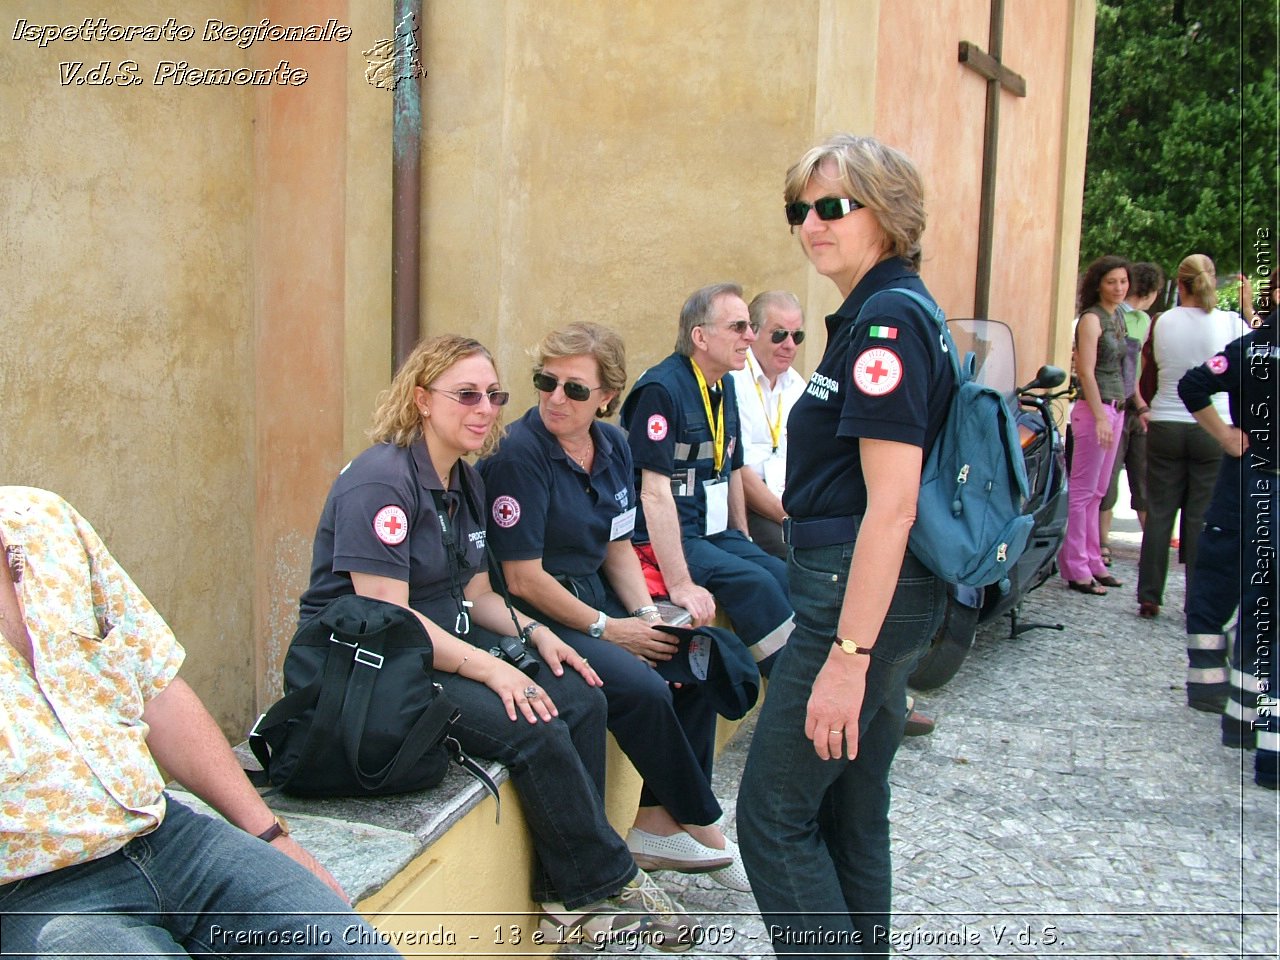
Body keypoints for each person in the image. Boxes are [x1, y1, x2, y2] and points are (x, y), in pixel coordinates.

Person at [296, 335, 691, 949]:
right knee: (533, 722)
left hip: (440, 645)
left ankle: (568, 889)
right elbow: (388, 617)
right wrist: (492, 668)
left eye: (494, 395)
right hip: (370, 667)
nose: (485, 408)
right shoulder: (381, 482)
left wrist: (538, 637)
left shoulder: (464, 478)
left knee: (580, 691)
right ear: (422, 399)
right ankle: (597, 885)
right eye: (467, 395)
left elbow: (480, 594)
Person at [0, 486, 395, 957]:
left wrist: (270, 835)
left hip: (167, 837)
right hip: (38, 889)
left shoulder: (44, 519)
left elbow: (157, 689)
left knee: (356, 951)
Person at [736, 133, 951, 957]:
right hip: (872, 595)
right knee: (850, 809)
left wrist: (849, 655)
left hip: (854, 601)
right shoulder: (877, 308)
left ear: (887, 214)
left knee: (772, 818)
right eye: (801, 210)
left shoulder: (889, 320)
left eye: (833, 206)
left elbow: (891, 507)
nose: (812, 225)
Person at [479, 322, 749, 892]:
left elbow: (618, 544)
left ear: (607, 396)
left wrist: (647, 616)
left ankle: (655, 819)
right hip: (538, 618)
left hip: (598, 602)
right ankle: (703, 817)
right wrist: (611, 630)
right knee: (644, 687)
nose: (556, 398)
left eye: (575, 389)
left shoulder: (614, 445)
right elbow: (524, 581)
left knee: (694, 659)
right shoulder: (518, 456)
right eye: (545, 382)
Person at [619, 283, 793, 676]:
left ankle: (802, 681)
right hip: (667, 537)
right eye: (738, 327)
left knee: (781, 573)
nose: (750, 336)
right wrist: (680, 583)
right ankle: (790, 690)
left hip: (714, 531)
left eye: (750, 326)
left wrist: (743, 536)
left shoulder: (725, 384)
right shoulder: (660, 390)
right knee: (756, 583)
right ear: (700, 336)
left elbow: (731, 468)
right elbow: (653, 493)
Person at [1178, 270, 1279, 790]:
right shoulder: (1254, 347)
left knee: (1230, 583)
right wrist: (1226, 436)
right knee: (1250, 593)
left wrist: (1226, 435)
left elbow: (1195, 384)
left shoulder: (1251, 347)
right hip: (1252, 481)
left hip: (1248, 480)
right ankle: (1232, 709)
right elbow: (1193, 385)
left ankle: (1235, 713)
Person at [1135, 254, 1249, 619]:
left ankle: (1150, 593)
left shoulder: (1163, 321)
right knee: (1200, 516)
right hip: (1212, 423)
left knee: (1160, 512)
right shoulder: (1231, 323)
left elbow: (1149, 368)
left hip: (1166, 419)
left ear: (1179, 284)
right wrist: (1249, 309)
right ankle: (1196, 598)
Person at [1058, 255, 1131, 596]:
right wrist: (1101, 415)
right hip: (1094, 410)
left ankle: (1092, 560)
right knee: (1083, 491)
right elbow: (1085, 371)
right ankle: (1075, 566)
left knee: (1098, 491)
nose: (1119, 288)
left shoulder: (1118, 316)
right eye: (1112, 281)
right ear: (1098, 284)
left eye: (1123, 281)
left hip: (1115, 407)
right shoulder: (1091, 319)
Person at [729, 290, 807, 559]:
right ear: (753, 332)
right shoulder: (734, 380)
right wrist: (788, 517)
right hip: (751, 505)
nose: (790, 345)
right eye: (779, 334)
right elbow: (740, 470)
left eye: (797, 336)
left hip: (789, 501)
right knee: (800, 555)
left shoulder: (797, 385)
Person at [1099, 261, 1165, 560]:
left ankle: (1104, 543)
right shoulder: (1130, 319)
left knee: (1118, 476)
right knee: (1133, 476)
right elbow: (1131, 370)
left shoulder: (1131, 318)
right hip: (1123, 404)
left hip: (1130, 404)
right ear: (1151, 293)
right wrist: (1140, 402)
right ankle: (1150, 546)